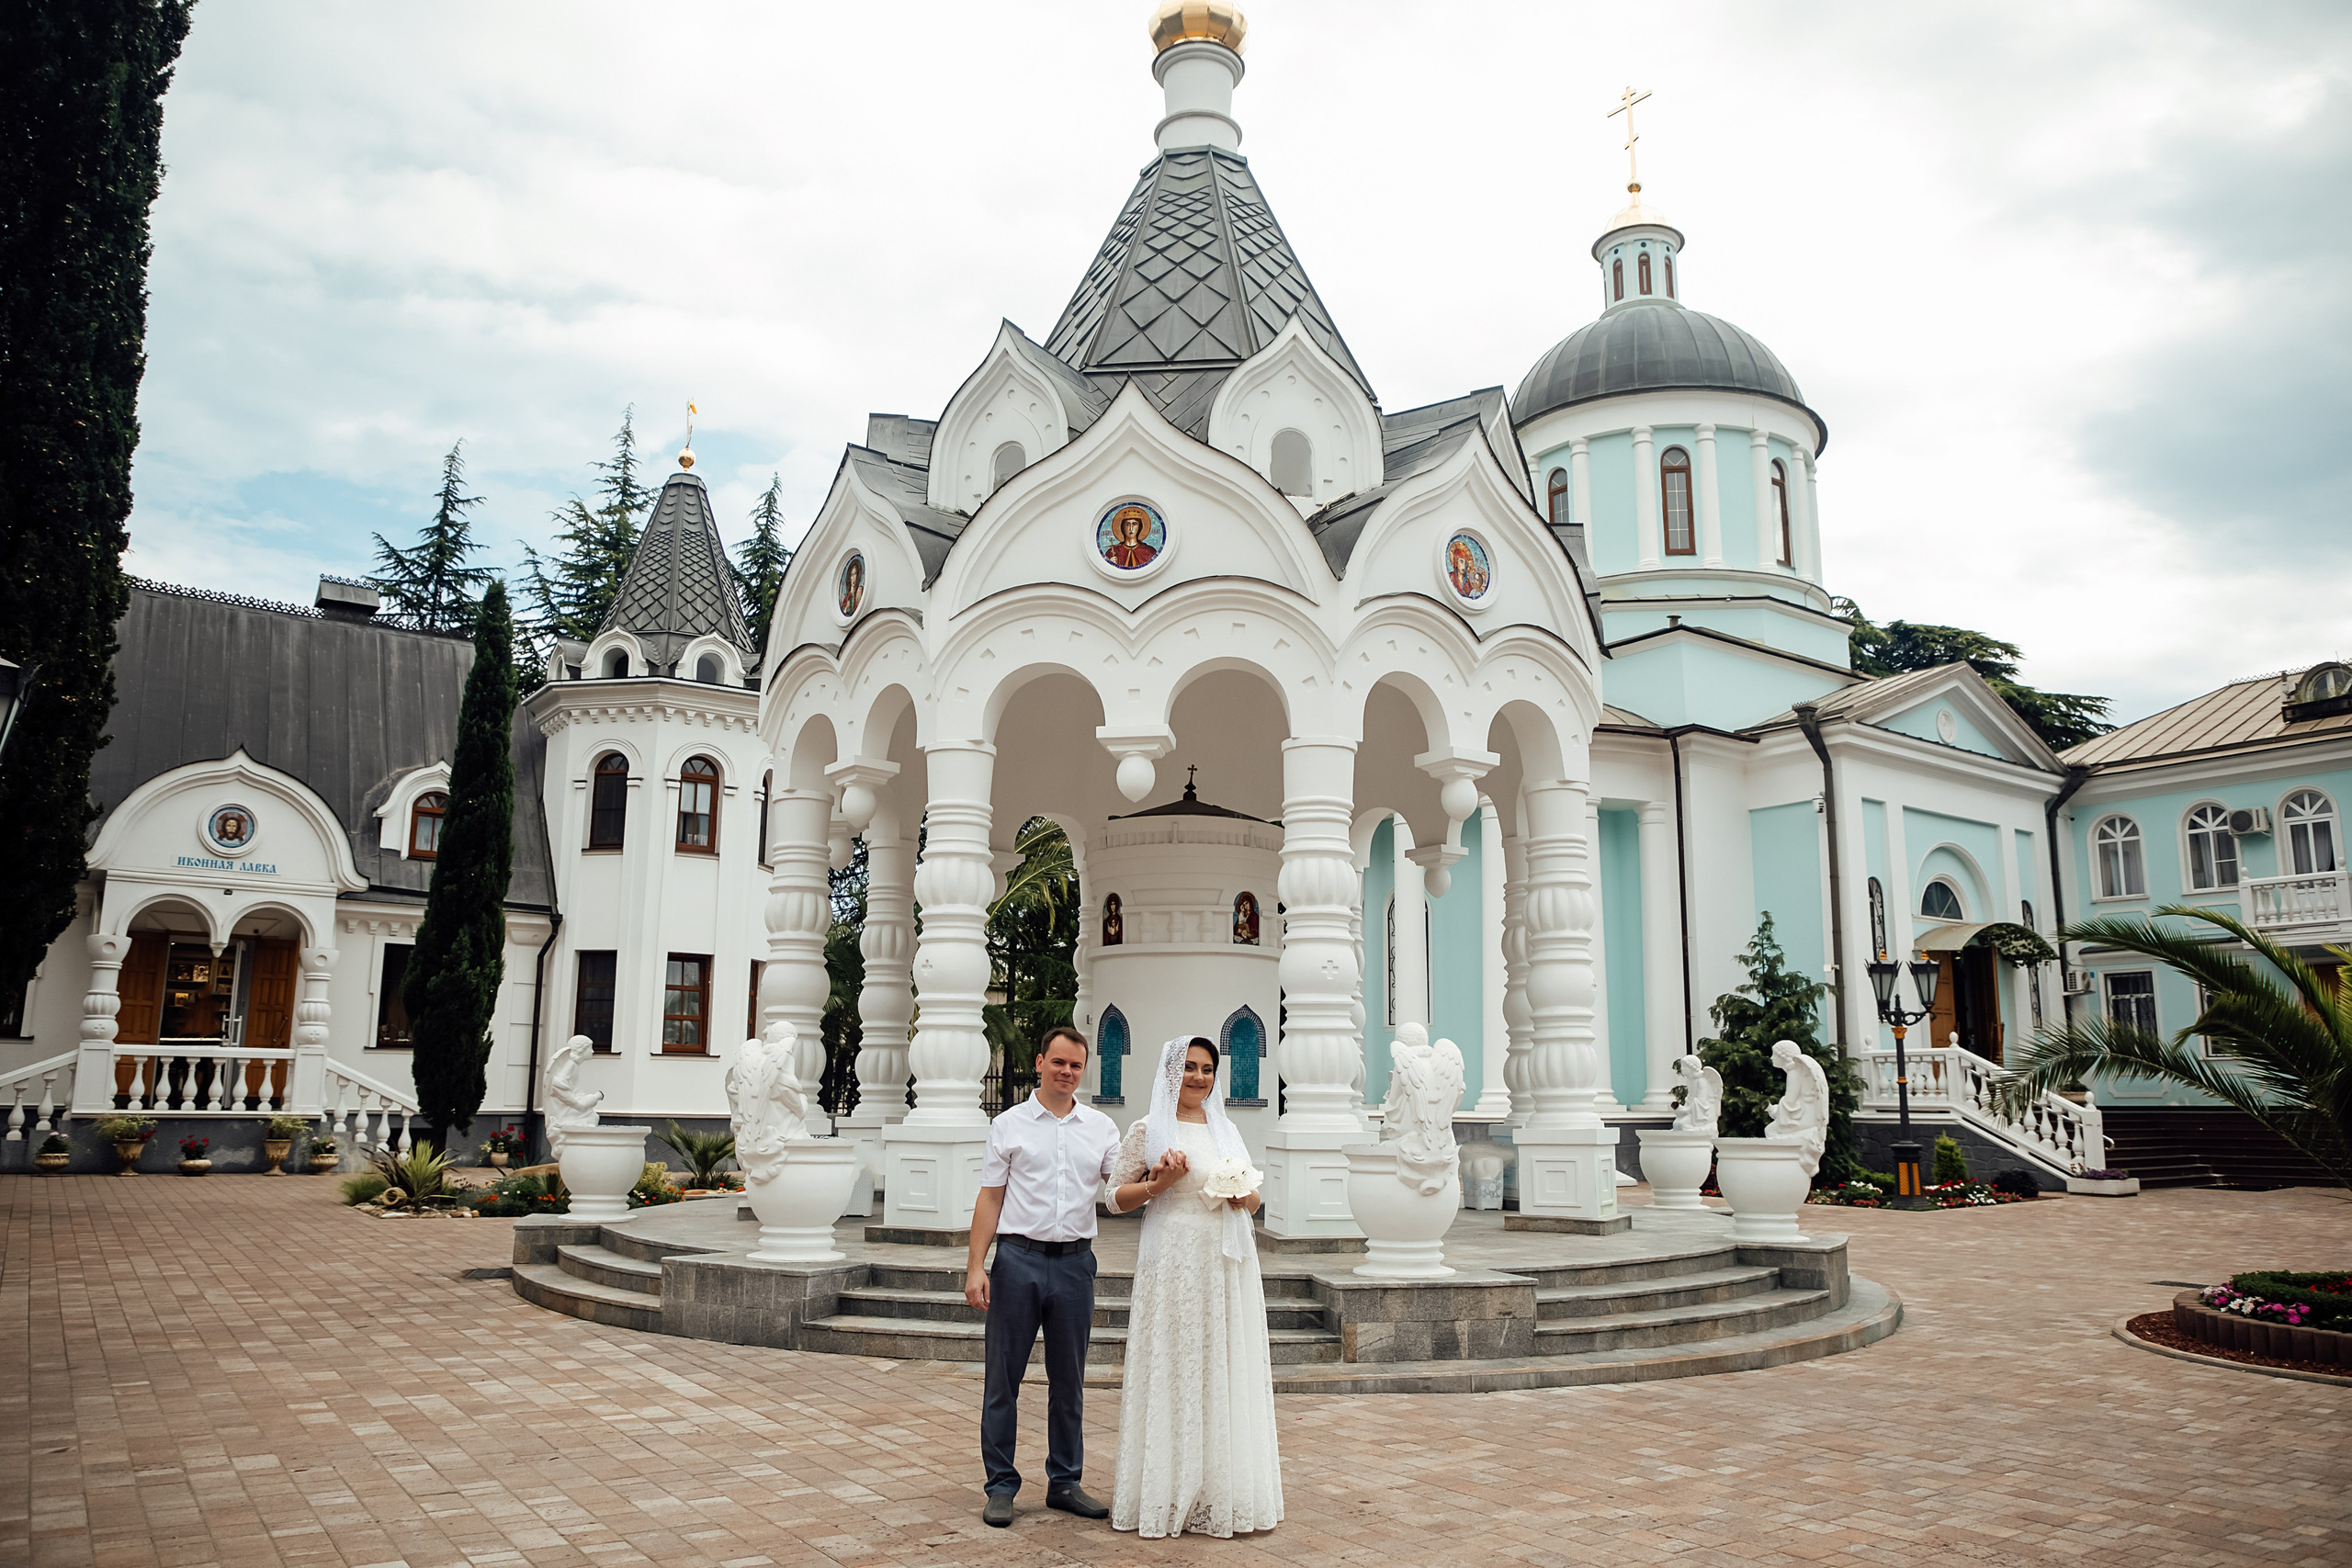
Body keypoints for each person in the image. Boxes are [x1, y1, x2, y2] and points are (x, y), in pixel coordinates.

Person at [1102, 1036, 1284, 1539]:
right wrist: (1157, 1185)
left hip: (1227, 1264)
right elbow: (1115, 1198)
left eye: (1207, 1069)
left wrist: (1239, 1195)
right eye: (1189, 1068)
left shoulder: (1227, 1130)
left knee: (1221, 1365)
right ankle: (1166, 1489)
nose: (1199, 1078)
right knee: (1177, 1366)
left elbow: (1253, 1202)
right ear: (1169, 1073)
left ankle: (1221, 1489)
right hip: (1176, 1261)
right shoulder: (1147, 1128)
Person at [965, 1026, 1122, 1529]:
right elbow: (990, 1198)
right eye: (1058, 1063)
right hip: (1017, 1261)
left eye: (1076, 1066)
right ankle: (1001, 1485)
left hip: (1076, 1264)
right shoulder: (1009, 1124)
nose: (1067, 1072)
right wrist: (975, 1266)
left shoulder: (1101, 1128)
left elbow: (1123, 1186)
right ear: (1039, 1062)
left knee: (1069, 1382)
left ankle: (1065, 1482)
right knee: (1002, 1380)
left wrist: (1164, 1171)